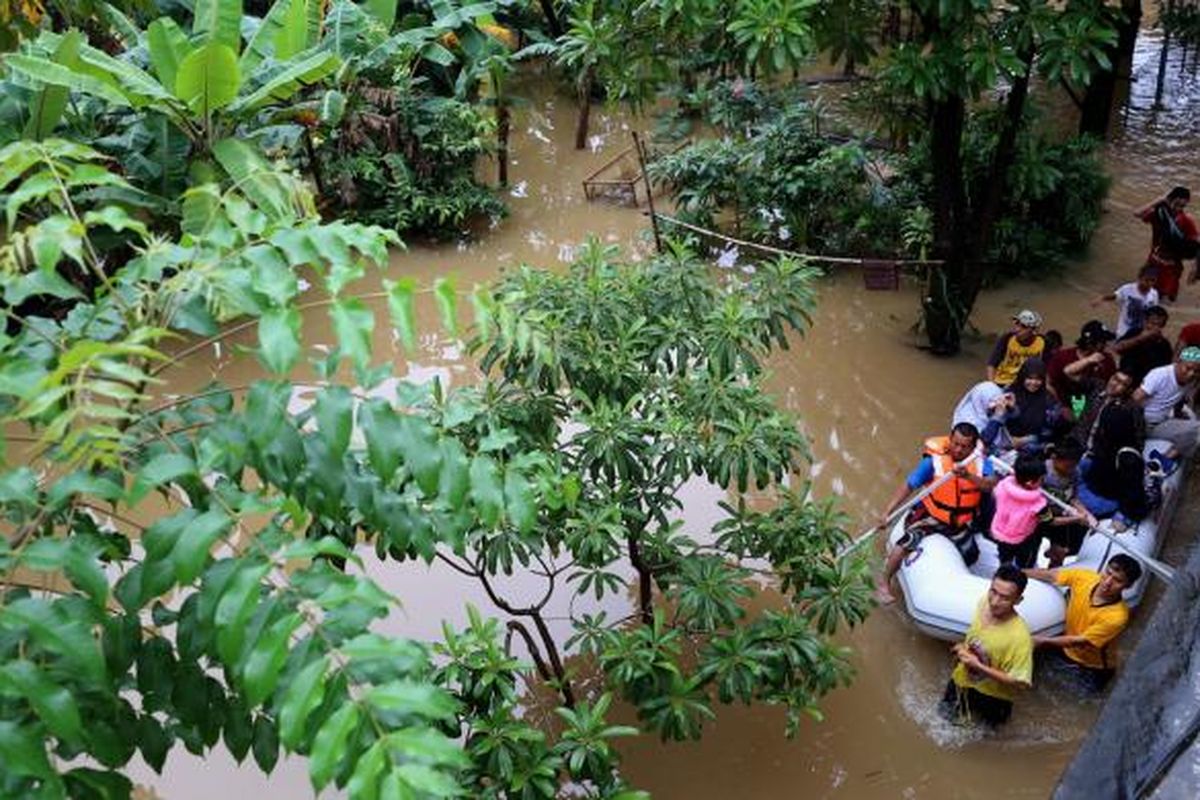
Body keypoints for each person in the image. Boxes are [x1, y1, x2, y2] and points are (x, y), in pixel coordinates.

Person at [875, 422, 996, 604]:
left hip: (959, 521)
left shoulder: (980, 462)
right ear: (950, 440)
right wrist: (887, 512)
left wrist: (968, 476)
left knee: (971, 554)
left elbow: (990, 485)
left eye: (964, 446)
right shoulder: (934, 461)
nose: (958, 449)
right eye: (955, 443)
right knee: (905, 544)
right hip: (930, 515)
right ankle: (883, 582)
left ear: (973, 446)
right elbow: (909, 485)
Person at [1025, 554, 1144, 693]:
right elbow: (1051, 575)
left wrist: (1041, 640)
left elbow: (1080, 641)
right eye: (1108, 573)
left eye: (1117, 580)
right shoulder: (1086, 578)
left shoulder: (1117, 616)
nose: (1107, 582)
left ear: (1128, 586)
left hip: (1093, 668)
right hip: (1066, 649)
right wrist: (1019, 573)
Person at [940, 564, 1033, 727]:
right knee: (943, 718)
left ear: (1018, 600)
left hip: (994, 697)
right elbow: (976, 636)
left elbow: (1020, 682)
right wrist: (962, 647)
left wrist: (978, 666)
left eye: (1004, 597)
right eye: (993, 591)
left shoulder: (1020, 637)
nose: (995, 602)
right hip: (962, 680)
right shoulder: (984, 602)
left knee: (988, 738)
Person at [1132, 346, 1200, 473]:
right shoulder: (1160, 375)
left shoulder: (1191, 380)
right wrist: (1134, 425)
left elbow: (1180, 398)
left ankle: (1164, 458)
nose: (1191, 374)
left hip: (1161, 422)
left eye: (1196, 371)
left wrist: (1178, 413)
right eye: (1188, 368)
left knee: (1196, 429)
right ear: (1178, 363)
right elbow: (1135, 398)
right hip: (1143, 423)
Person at [1037, 438, 1098, 568]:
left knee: (1061, 551)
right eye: (1068, 466)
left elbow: (1072, 498)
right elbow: (1046, 517)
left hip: (1061, 516)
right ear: (1054, 458)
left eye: (1074, 465)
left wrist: (1087, 514)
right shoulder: (1042, 472)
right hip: (1040, 517)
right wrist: (1076, 518)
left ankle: (1053, 569)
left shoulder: (1075, 473)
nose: (1071, 470)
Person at [1135, 186, 1200, 302]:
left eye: (1182, 206)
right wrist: (1159, 200)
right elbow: (1137, 213)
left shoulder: (1186, 221)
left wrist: (1195, 269)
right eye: (1176, 204)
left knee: (1166, 300)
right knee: (1144, 294)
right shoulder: (1158, 213)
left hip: (1172, 268)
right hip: (1154, 262)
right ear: (1168, 200)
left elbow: (1196, 245)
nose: (1178, 208)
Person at [990, 454, 1051, 568]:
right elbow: (1049, 520)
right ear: (1030, 482)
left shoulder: (1002, 486)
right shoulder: (1038, 504)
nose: (1043, 482)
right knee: (1025, 565)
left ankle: (1004, 570)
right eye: (1041, 479)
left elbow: (995, 496)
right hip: (1024, 540)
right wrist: (1076, 518)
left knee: (1005, 559)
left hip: (1000, 533)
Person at [1046, 320, 1117, 417]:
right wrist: (1061, 407)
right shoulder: (1062, 357)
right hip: (1064, 412)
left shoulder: (1107, 359)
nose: (1105, 345)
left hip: (1093, 414)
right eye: (1102, 342)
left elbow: (1111, 386)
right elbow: (1048, 384)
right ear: (1089, 343)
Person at [1006, 358, 1064, 452]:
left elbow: (1050, 431)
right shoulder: (1010, 393)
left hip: (1036, 447)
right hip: (1006, 444)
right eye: (1029, 378)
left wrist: (1023, 440)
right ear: (1022, 377)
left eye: (1038, 379)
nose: (1033, 383)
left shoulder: (1048, 399)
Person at [1093, 264, 1160, 338]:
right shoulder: (1127, 289)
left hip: (1140, 330)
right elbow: (1115, 296)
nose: (1149, 284)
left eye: (1153, 280)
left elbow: (1153, 313)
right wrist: (1102, 298)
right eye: (1147, 280)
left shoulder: (1154, 294)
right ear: (1140, 278)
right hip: (1124, 329)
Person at [1112, 304, 1172, 384]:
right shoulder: (1135, 333)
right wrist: (1141, 338)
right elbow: (1118, 348)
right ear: (1145, 322)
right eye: (1153, 324)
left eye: (1159, 325)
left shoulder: (1164, 345)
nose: (1155, 328)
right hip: (1125, 380)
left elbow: (1164, 370)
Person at [987, 309, 1045, 387]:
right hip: (1002, 382)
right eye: (1017, 324)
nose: (1017, 329)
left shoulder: (1043, 343)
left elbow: (1047, 371)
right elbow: (992, 364)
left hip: (1027, 386)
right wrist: (992, 386)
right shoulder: (1007, 338)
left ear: (1034, 330)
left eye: (1024, 327)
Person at [951, 381, 1014, 452]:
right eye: (991, 402)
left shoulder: (993, 410)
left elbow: (1015, 421)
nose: (995, 405)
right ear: (980, 400)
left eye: (996, 401)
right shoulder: (966, 418)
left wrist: (1012, 408)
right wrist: (996, 417)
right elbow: (983, 441)